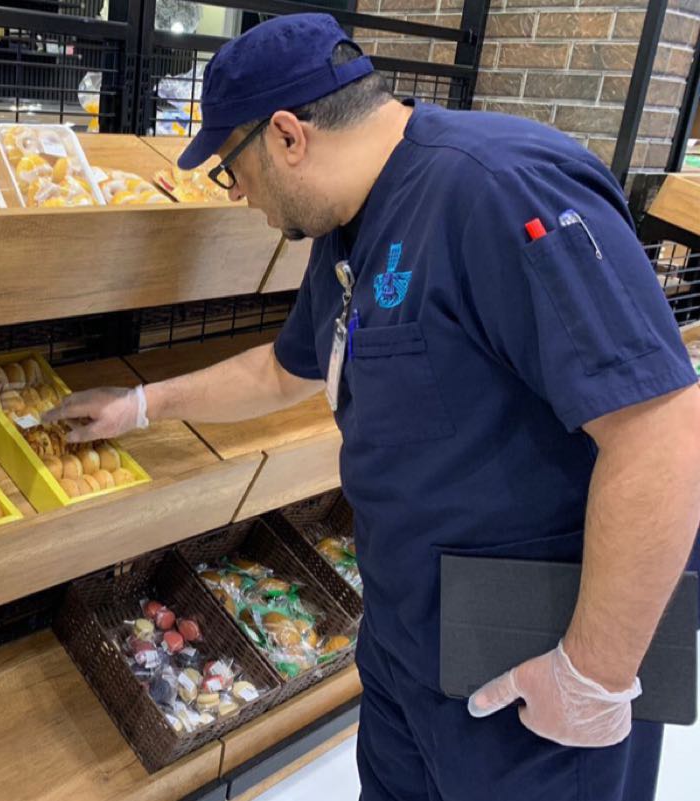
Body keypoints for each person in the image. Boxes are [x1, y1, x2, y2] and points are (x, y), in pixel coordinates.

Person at [45, 13, 700, 801]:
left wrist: (594, 672)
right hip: (405, 635)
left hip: (535, 654)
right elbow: (284, 370)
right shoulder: (348, 225)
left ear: (287, 135)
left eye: (231, 168)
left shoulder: (500, 188)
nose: (239, 193)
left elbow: (663, 428)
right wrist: (141, 404)